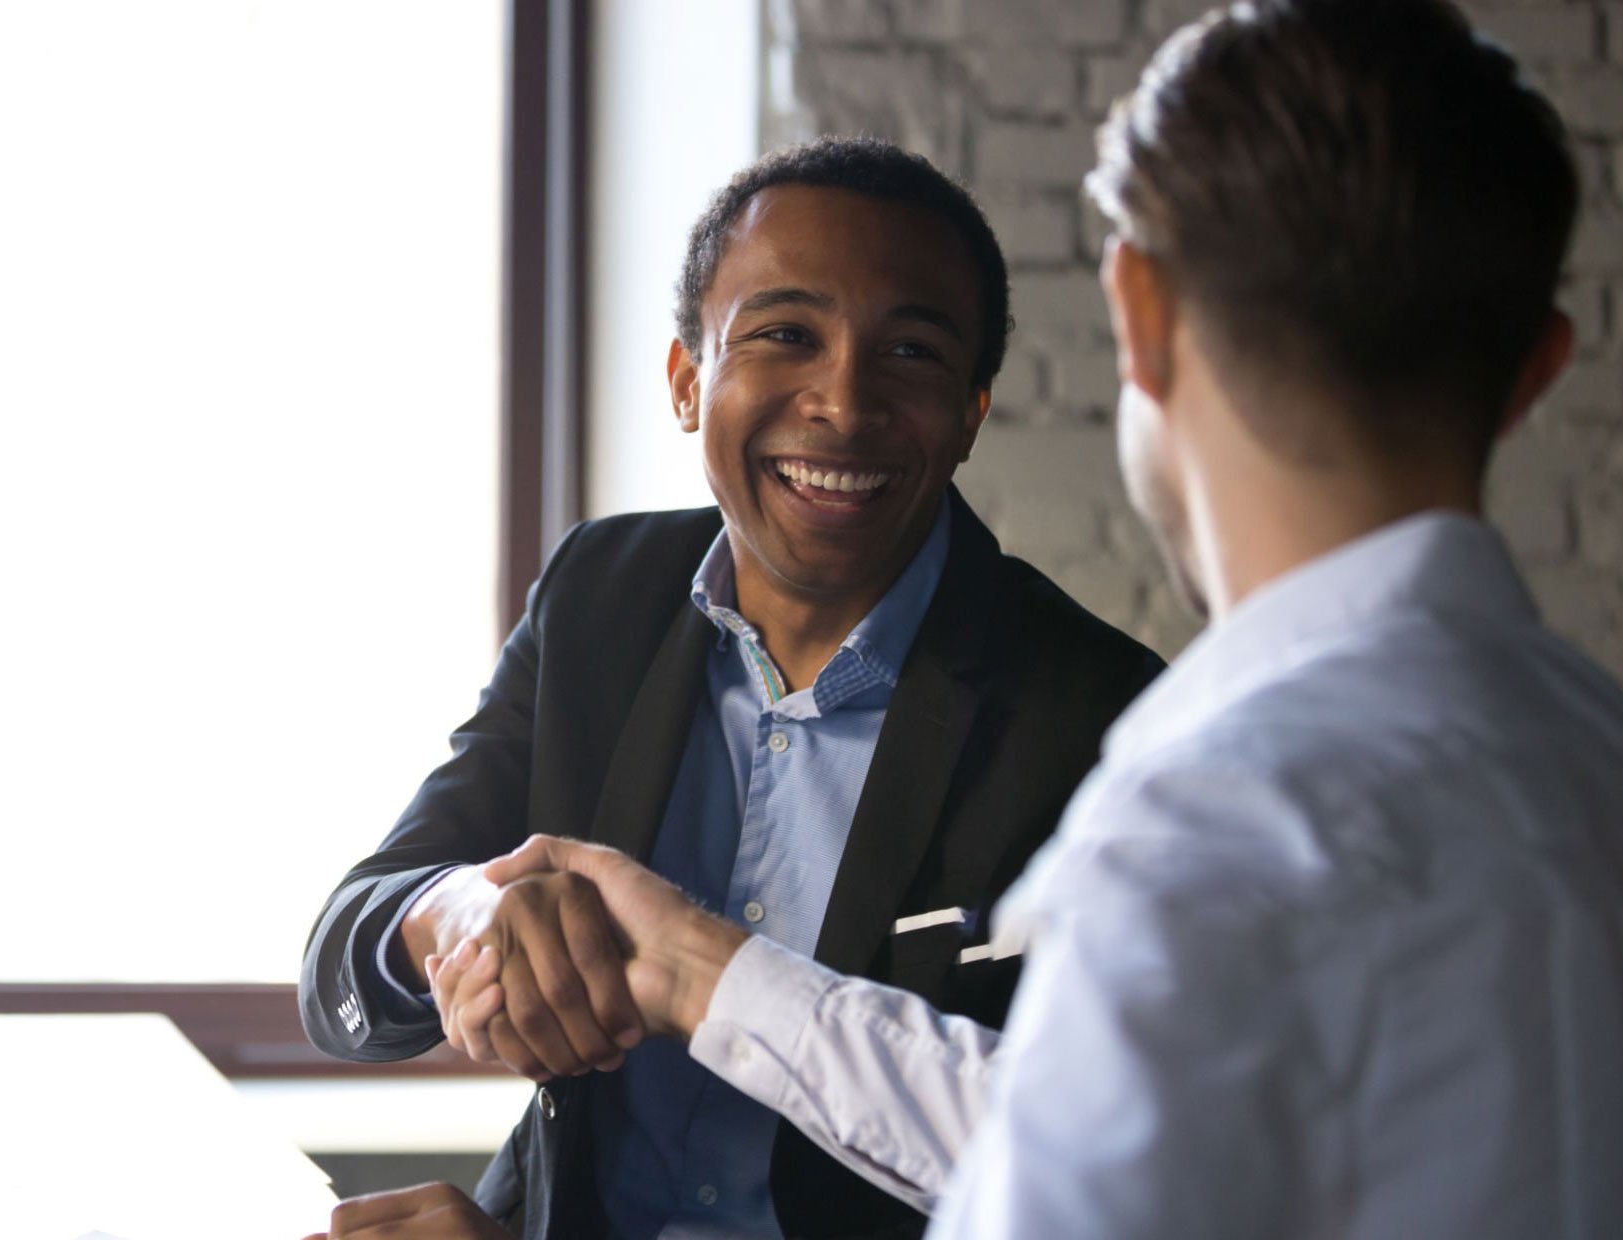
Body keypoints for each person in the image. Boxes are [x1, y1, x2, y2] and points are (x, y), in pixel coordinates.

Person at [380, 1, 1623, 1237]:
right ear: (1540, 372)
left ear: (1138, 316)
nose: (845, 404)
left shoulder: (1204, 812)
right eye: (783, 335)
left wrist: (694, 972)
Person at [297, 135, 1168, 1239]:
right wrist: (459, 911)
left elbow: (1114, 1168)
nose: (843, 404)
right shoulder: (600, 597)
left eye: (909, 352)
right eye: (785, 335)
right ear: (684, 380)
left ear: (971, 412)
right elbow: (347, 949)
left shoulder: (1108, 721)